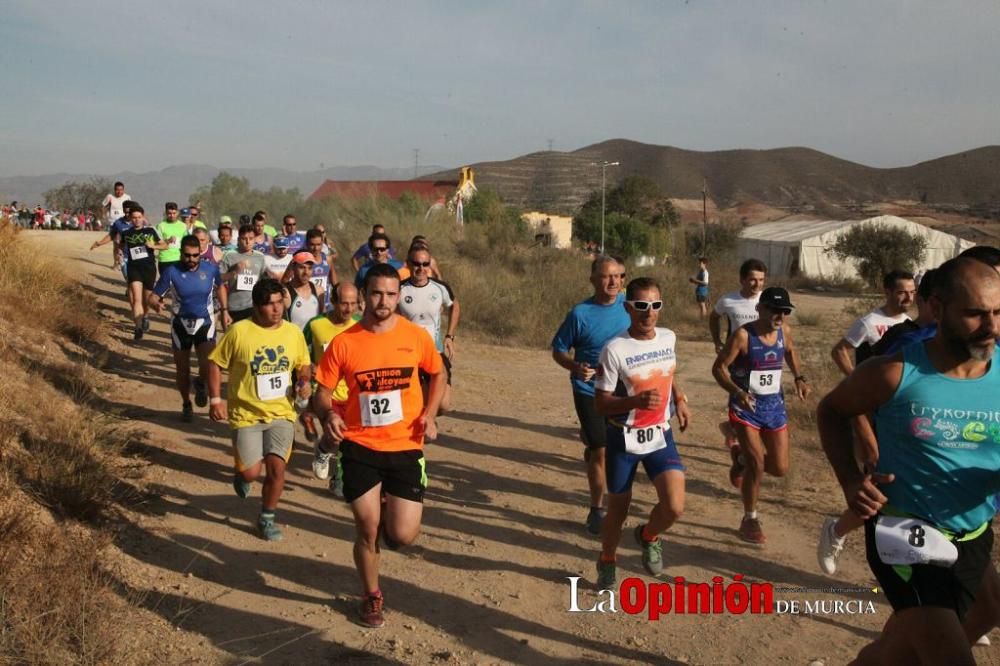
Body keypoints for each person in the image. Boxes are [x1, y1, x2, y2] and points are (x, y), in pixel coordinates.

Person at [817, 257, 1000, 664]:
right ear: (936, 307)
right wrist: (850, 480)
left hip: (971, 531)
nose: (991, 327)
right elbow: (831, 411)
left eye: (998, 312)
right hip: (904, 533)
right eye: (974, 314)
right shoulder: (895, 372)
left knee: (979, 614)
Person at [312, 263, 446, 628]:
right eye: (376, 293)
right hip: (359, 445)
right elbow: (321, 393)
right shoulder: (346, 342)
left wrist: (430, 414)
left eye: (390, 294)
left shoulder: (415, 337)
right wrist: (329, 417)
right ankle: (371, 595)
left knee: (402, 536)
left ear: (397, 296)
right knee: (366, 528)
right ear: (364, 295)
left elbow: (438, 372)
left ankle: (391, 506)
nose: (383, 301)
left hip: (405, 445)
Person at [593, 277, 690, 588]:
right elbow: (600, 403)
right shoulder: (615, 349)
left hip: (660, 433)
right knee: (617, 512)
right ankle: (608, 558)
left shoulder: (668, 338)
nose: (649, 313)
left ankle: (648, 535)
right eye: (641, 306)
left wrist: (680, 399)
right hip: (623, 437)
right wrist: (635, 400)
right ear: (628, 308)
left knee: (674, 506)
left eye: (655, 305)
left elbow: (669, 372)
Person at [206, 278, 312, 542]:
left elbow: (303, 364)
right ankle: (242, 475)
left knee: (277, 470)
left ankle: (266, 518)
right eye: (269, 304)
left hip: (282, 413)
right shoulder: (239, 332)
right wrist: (215, 399)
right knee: (251, 473)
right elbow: (215, 364)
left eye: (279, 303)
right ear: (256, 306)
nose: (276, 309)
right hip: (246, 414)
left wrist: (303, 381)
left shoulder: (293, 332)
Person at [712, 286, 809, 544]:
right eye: (775, 310)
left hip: (774, 407)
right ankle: (750, 518)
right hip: (746, 409)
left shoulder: (784, 331)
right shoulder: (743, 336)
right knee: (758, 465)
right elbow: (719, 368)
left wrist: (799, 377)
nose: (781, 315)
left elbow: (790, 351)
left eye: (785, 311)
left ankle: (740, 458)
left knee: (779, 467)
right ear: (760, 309)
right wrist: (735, 390)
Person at [551, 256, 630, 535]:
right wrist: (574, 366)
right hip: (589, 390)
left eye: (619, 276)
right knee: (601, 450)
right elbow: (558, 350)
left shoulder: (631, 307)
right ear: (593, 279)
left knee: (618, 450)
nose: (614, 282)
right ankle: (597, 508)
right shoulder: (580, 314)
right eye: (607, 276)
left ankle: (592, 440)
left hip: (623, 392)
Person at [147, 235, 227, 420]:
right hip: (180, 325)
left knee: (207, 366)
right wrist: (155, 304)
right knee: (182, 371)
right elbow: (152, 296)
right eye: (187, 255)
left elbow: (221, 287)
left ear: (200, 253)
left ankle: (200, 383)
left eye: (195, 255)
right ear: (181, 253)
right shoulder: (171, 272)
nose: (191, 260)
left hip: (204, 324)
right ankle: (186, 403)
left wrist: (224, 310)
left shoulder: (211, 269)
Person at [708, 258, 767, 474]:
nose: (757, 284)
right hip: (738, 361)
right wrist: (717, 341)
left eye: (761, 280)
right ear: (742, 280)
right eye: (752, 280)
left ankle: (731, 430)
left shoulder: (767, 300)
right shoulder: (728, 300)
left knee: (762, 402)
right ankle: (740, 438)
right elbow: (714, 317)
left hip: (763, 360)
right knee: (741, 398)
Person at [305, 282, 361, 497]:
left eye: (353, 304)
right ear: (334, 302)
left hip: (354, 393)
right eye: (344, 303)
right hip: (327, 393)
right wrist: (308, 367)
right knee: (336, 436)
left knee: (352, 441)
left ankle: (339, 477)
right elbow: (301, 352)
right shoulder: (316, 325)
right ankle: (323, 449)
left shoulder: (360, 325)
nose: (348, 309)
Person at [399, 245, 459, 412]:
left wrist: (450, 336)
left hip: (435, 350)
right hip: (410, 354)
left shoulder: (440, 288)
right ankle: (425, 422)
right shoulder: (399, 289)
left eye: (425, 264)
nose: (421, 268)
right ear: (408, 264)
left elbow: (454, 305)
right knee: (417, 400)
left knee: (443, 405)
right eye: (417, 263)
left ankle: (429, 415)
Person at [830, 270, 915, 376]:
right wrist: (855, 380)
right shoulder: (869, 323)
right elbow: (839, 351)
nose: (909, 298)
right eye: (902, 293)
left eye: (912, 292)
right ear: (888, 293)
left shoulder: (909, 322)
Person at [119, 205, 168, 339]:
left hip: (149, 268)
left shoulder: (150, 231)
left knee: (146, 299)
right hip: (133, 268)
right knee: (136, 299)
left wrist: (153, 246)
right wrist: (120, 253)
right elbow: (121, 245)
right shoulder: (126, 233)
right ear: (130, 219)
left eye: (139, 217)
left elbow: (165, 245)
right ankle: (138, 327)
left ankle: (144, 317)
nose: (136, 220)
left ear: (143, 217)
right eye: (134, 218)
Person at [219, 224, 268, 324]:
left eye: (251, 238)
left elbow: (263, 281)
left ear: (255, 240)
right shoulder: (229, 255)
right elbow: (218, 279)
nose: (247, 242)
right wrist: (234, 271)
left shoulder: (260, 257)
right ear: (238, 239)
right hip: (234, 306)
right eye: (244, 238)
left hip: (254, 306)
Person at [284, 252, 321, 331]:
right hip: (294, 341)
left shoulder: (319, 290)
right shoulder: (285, 292)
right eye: (302, 267)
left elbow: (322, 320)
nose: (306, 272)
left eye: (310, 268)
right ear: (293, 267)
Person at [102, 181, 130, 265]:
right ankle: (115, 262)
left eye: (121, 190)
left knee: (125, 244)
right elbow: (104, 206)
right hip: (114, 224)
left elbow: (130, 208)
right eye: (117, 190)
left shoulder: (127, 197)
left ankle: (124, 261)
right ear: (114, 190)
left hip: (124, 223)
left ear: (123, 190)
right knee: (116, 245)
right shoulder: (110, 197)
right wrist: (104, 215)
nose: (119, 192)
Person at [156, 202, 188, 273]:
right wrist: (168, 241)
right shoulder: (160, 226)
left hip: (178, 259)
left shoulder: (183, 226)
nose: (172, 215)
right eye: (169, 213)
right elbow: (157, 244)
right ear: (166, 213)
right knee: (165, 282)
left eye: (174, 213)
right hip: (165, 259)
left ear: (177, 212)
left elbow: (186, 242)